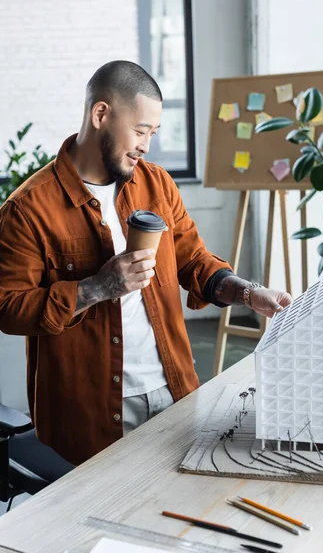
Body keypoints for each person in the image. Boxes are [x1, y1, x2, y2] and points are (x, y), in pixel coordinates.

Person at [0, 61, 292, 465]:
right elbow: (8, 309)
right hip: (91, 412)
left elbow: (194, 260)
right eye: (140, 131)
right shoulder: (28, 208)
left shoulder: (156, 184)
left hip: (174, 390)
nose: (146, 145)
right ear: (100, 114)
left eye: (152, 133)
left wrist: (248, 292)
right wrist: (97, 288)